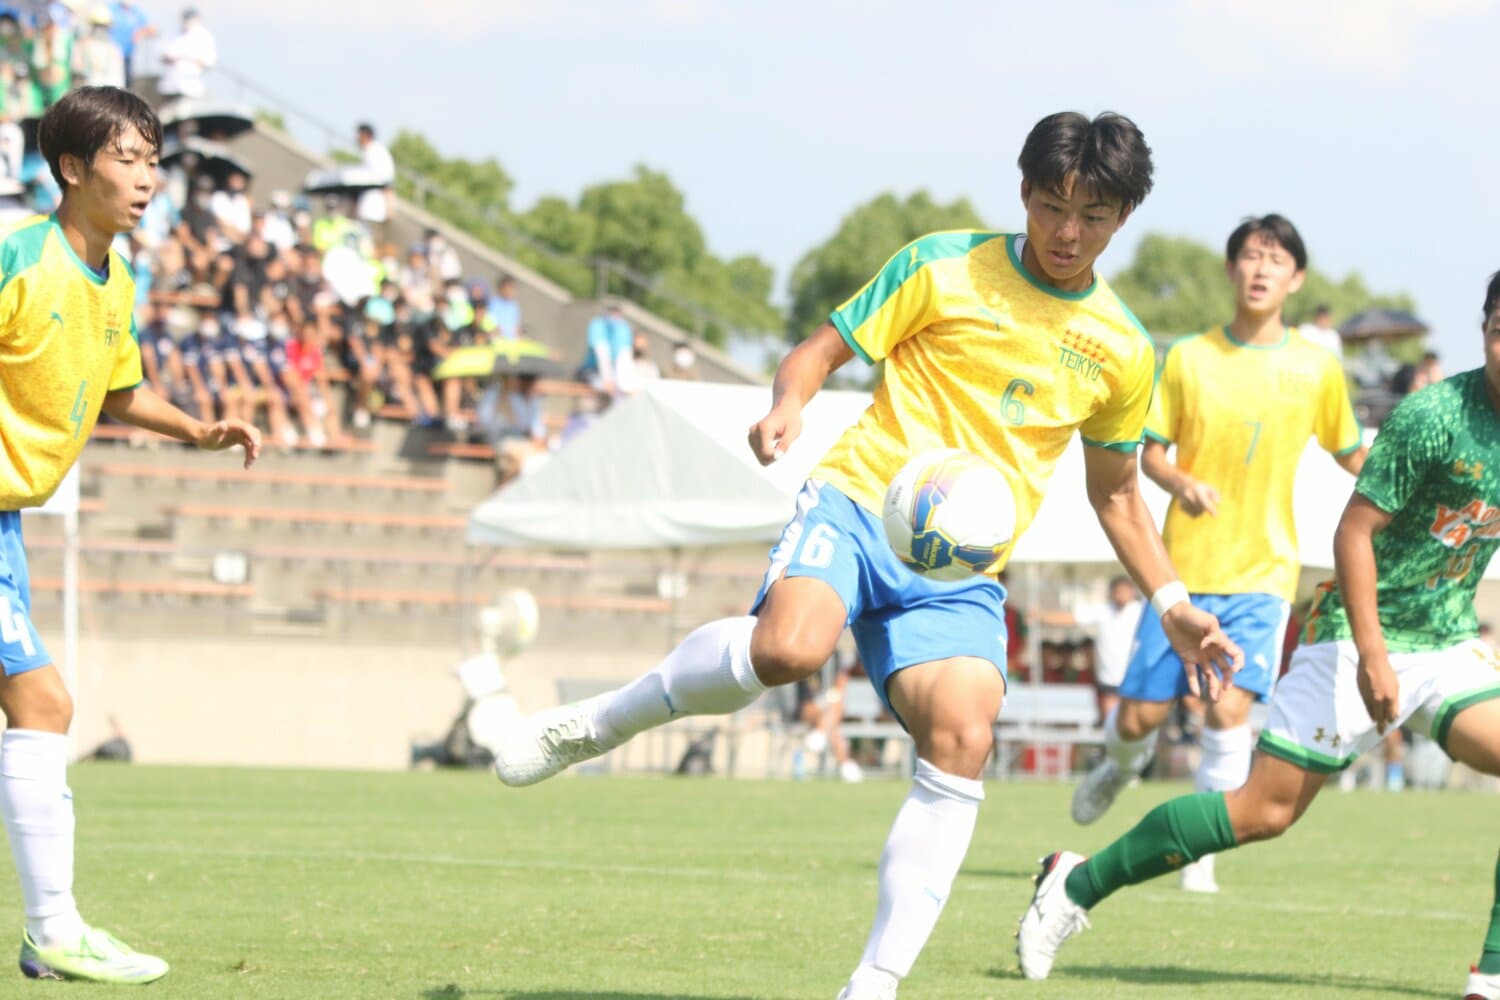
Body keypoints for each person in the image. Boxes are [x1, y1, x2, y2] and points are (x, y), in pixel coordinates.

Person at [491, 111, 1240, 1000]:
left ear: (1123, 218)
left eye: (1092, 214)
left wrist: (1172, 604)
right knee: (786, 651)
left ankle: (873, 985)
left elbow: (1116, 494)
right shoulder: (943, 265)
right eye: (1050, 206)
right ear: (1024, 192)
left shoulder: (1120, 348)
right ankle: (601, 723)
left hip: (959, 576)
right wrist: (788, 406)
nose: (1066, 232)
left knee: (964, 735)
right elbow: (819, 350)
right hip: (858, 504)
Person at [1018, 269, 1500, 1000]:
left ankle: (1491, 976)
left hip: (1447, 643)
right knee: (1262, 813)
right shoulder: (1435, 416)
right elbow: (1353, 535)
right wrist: (1372, 655)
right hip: (1354, 636)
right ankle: (1075, 883)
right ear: (1485, 329)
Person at [0, 86, 259, 985]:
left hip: (6, 523)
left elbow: (118, 393)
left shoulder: (114, 278)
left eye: (153, 160)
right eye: (127, 159)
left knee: (36, 707)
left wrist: (197, 431)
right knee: (43, 705)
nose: (147, 178)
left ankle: (52, 929)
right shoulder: (16, 258)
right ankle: (53, 930)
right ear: (72, 169)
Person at [1068, 214, 1366, 894]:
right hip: (1178, 572)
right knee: (1141, 715)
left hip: (1264, 572)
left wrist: (1407, 484)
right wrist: (1180, 481)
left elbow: (1352, 452)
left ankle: (1197, 853)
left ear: (1297, 278)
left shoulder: (1317, 366)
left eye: (1275, 259)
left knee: (1227, 708)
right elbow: (1150, 453)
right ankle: (1120, 760)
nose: (1261, 269)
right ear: (1232, 269)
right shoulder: (1190, 358)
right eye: (1251, 256)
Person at [1038, 575, 1143, 722]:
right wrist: (1041, 616)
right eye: (1118, 591)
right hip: (1110, 677)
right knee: (1111, 719)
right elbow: (1072, 618)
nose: (1121, 595)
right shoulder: (1104, 610)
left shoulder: (1140, 611)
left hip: (1133, 675)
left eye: (1125, 591)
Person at [156, 7, 215, 100]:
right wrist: (171, 59)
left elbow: (209, 61)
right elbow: (161, 55)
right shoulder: (170, 33)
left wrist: (195, 61)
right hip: (171, 86)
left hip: (192, 88)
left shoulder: (204, 36)